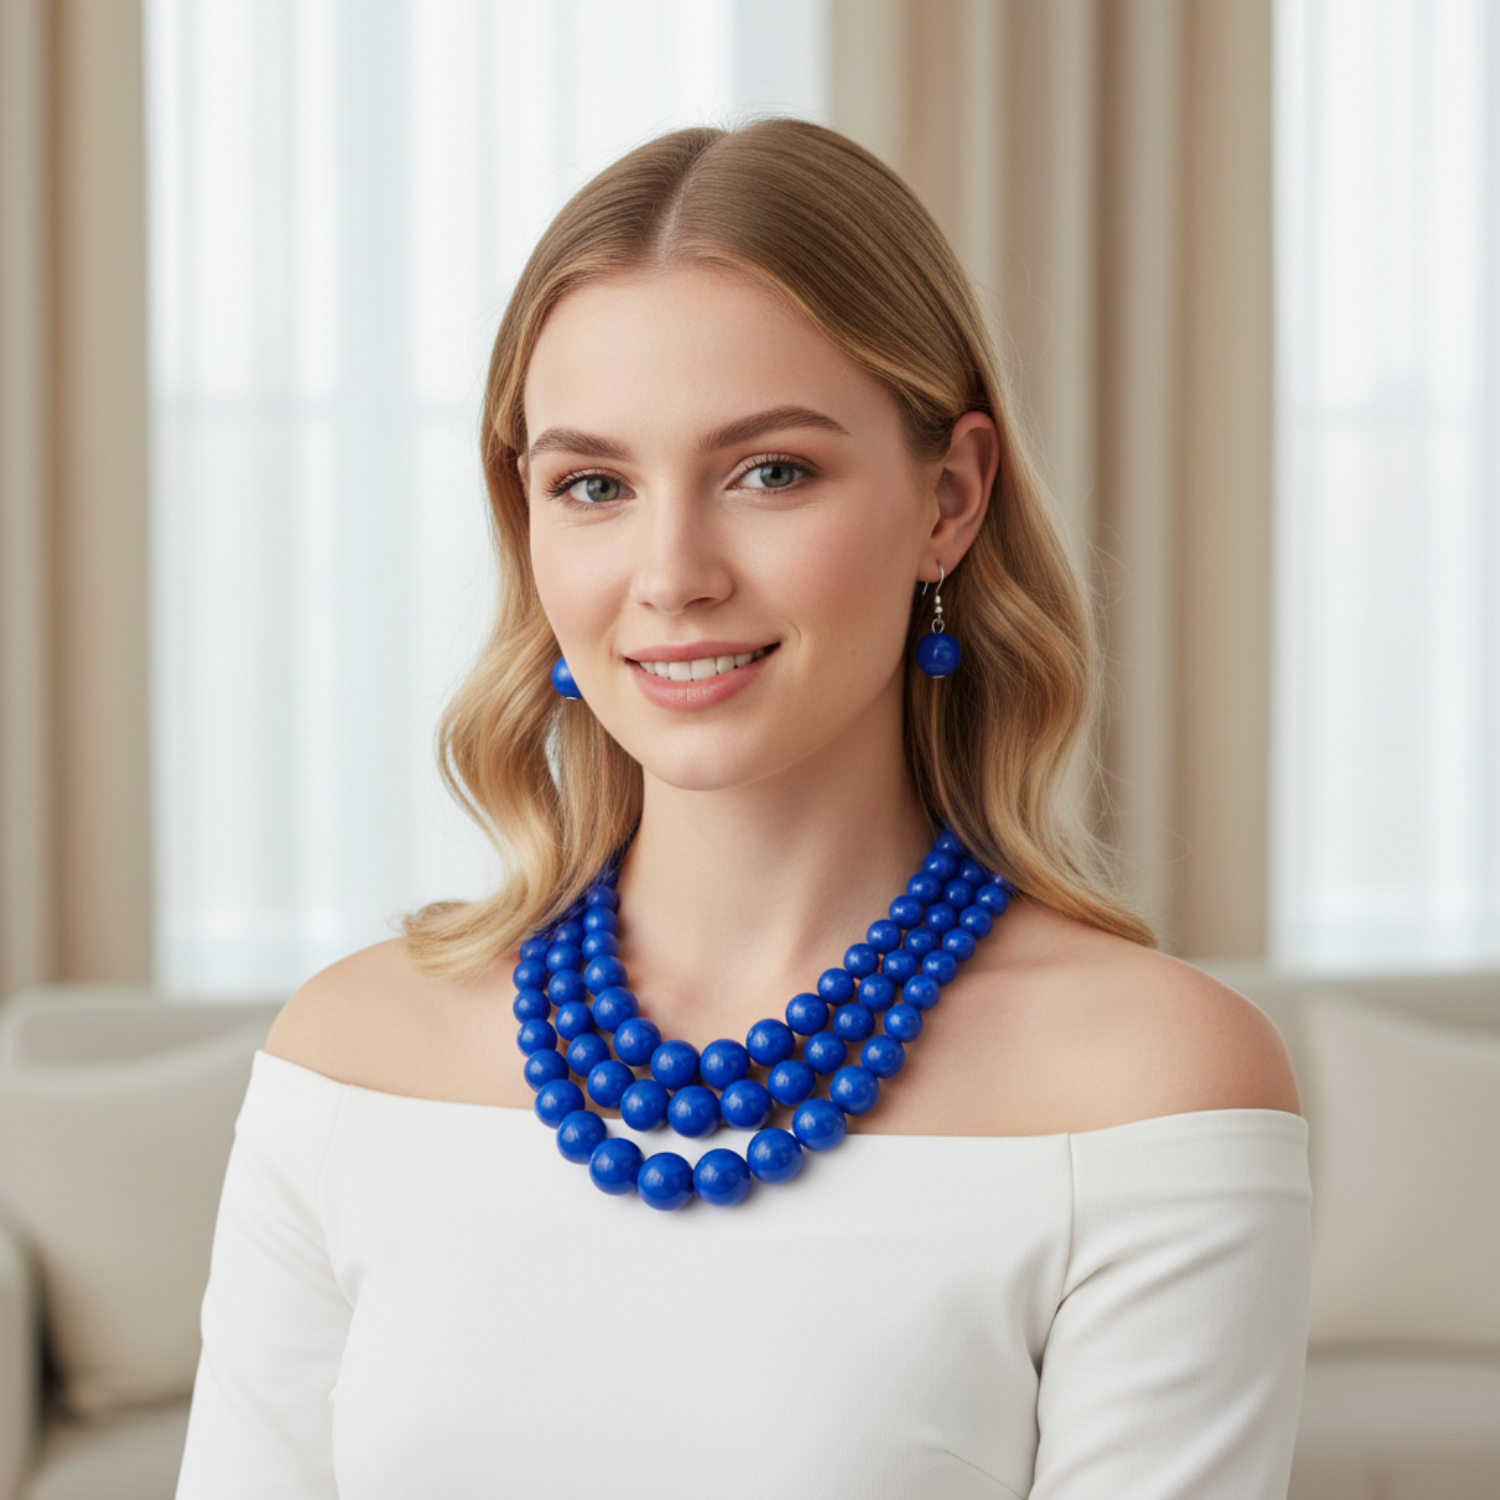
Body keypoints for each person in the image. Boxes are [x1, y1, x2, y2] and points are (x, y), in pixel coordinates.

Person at [175, 119, 1310, 1500]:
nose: (671, 575)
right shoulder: (349, 1058)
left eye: (770, 471)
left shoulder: (1150, 1082)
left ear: (948, 499)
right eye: (593, 485)